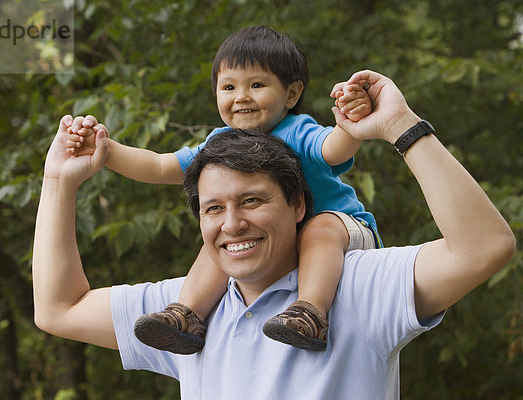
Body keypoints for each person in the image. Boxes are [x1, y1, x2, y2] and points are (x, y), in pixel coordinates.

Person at [33, 69, 515, 399]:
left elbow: (484, 248)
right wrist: (58, 180)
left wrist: (399, 126)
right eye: (213, 208)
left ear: (298, 204)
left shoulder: (361, 288)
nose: (231, 223)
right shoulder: (187, 310)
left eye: (252, 201)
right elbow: (59, 309)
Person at [65, 25, 379, 353]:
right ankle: (186, 315)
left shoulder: (298, 131)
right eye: (228, 86)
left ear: (291, 93)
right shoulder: (220, 144)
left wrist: (351, 122)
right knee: (221, 236)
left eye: (257, 84)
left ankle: (310, 313)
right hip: (278, 241)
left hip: (343, 233)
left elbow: (335, 149)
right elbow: (160, 166)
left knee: (319, 226)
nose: (241, 96)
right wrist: (105, 149)